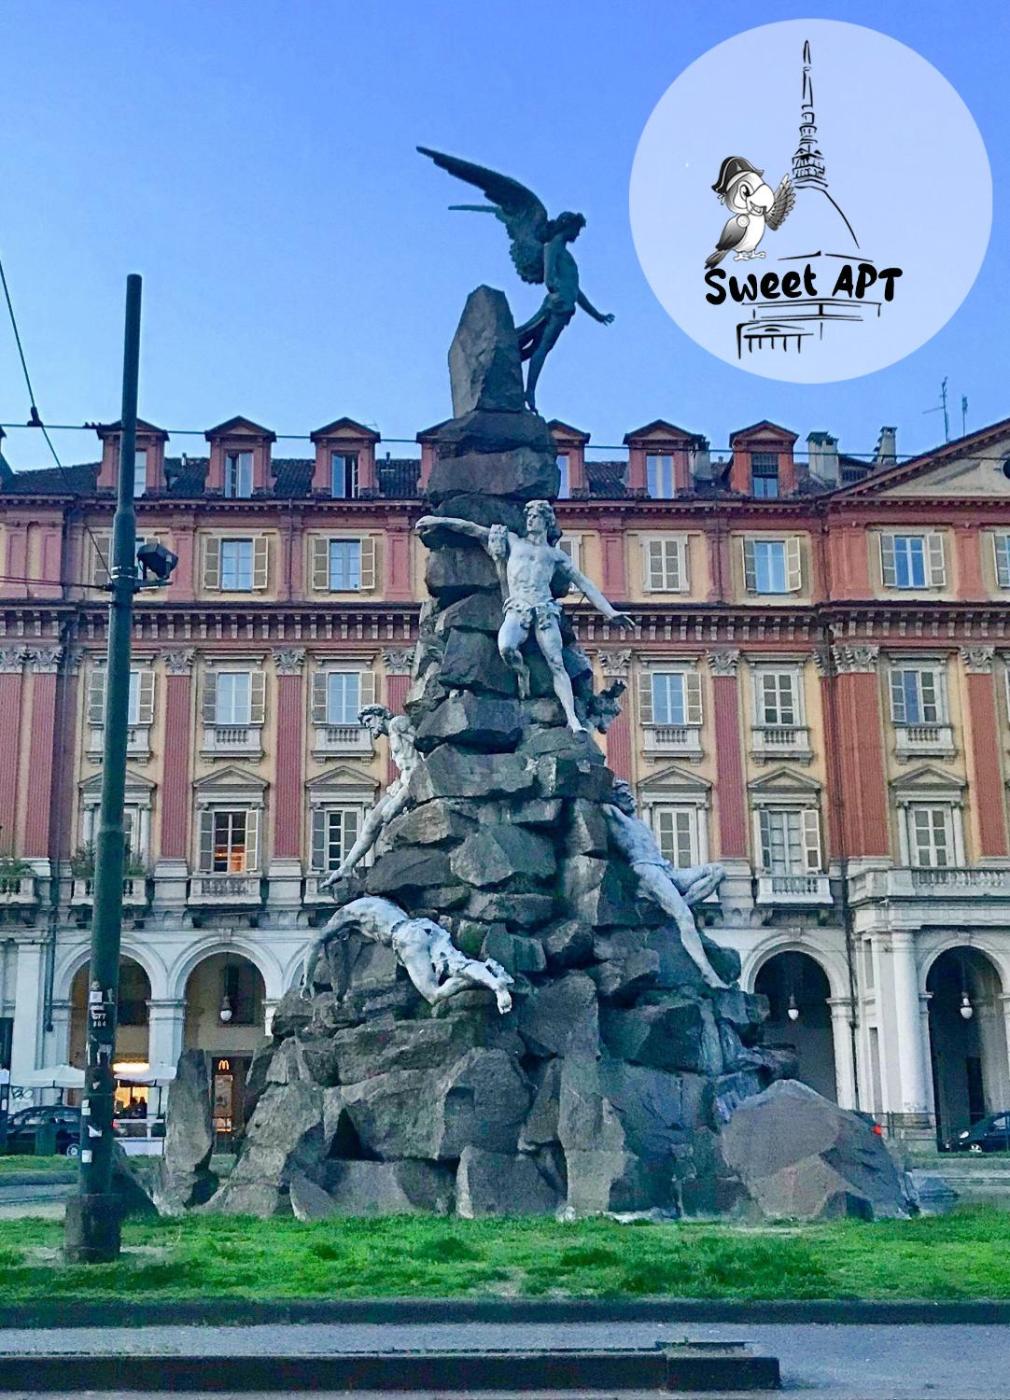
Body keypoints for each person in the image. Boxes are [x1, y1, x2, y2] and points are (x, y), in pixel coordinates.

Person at [415, 500, 634, 734]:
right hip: (517, 607)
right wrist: (439, 521)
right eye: (528, 516)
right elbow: (472, 529)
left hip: (544, 609)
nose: (530, 520)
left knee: (557, 664)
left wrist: (610, 612)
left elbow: (584, 583)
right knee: (507, 648)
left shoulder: (555, 556)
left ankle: (572, 719)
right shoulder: (513, 541)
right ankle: (523, 673)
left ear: (546, 521)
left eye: (535, 516)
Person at [603, 780, 729, 990]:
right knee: (685, 918)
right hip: (645, 869)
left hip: (665, 869)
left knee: (718, 871)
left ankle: (680, 904)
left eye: (630, 792)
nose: (631, 797)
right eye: (624, 793)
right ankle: (708, 974)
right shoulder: (612, 814)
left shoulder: (641, 824)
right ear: (614, 797)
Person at [302, 896, 514, 1013]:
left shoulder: (346, 913)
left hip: (405, 939)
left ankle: (477, 980)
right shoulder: (379, 901)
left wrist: (308, 981)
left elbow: (315, 943)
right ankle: (493, 980)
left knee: (433, 994)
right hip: (424, 927)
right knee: (457, 964)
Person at [319, 705, 419, 889]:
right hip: (402, 783)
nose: (368, 726)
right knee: (371, 822)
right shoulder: (391, 733)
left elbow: (424, 746)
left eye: (369, 720)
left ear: (380, 715)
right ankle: (346, 866)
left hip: (414, 781)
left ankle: (400, 864)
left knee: (388, 815)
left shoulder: (398, 723)